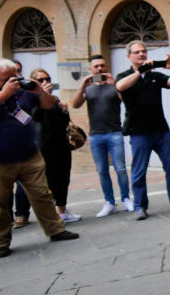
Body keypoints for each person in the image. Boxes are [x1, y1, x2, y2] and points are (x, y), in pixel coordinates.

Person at [0, 59, 79, 258]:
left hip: (29, 154)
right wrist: (4, 94)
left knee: (42, 194)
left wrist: (40, 91)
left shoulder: (23, 91)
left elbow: (50, 105)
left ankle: (56, 230)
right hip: (0, 159)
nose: (13, 80)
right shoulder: (5, 92)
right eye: (6, 77)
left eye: (15, 74)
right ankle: (0, 242)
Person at [115, 40, 170, 220]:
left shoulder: (155, 75)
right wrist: (140, 72)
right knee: (139, 171)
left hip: (160, 130)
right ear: (129, 56)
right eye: (137, 52)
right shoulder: (124, 75)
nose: (141, 54)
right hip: (139, 132)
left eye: (143, 51)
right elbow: (120, 87)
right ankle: (139, 206)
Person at [70, 55, 133, 218]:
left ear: (106, 67)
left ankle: (126, 199)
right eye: (96, 66)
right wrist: (82, 86)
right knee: (102, 171)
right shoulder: (88, 88)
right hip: (96, 135)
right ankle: (110, 203)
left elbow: (127, 102)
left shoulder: (114, 85)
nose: (99, 69)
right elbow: (75, 104)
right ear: (91, 69)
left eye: (102, 66)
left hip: (114, 133)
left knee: (120, 168)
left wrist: (116, 87)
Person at [29, 68, 80, 222]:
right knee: (48, 181)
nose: (46, 82)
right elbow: (34, 118)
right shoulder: (30, 100)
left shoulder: (55, 100)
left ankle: (63, 212)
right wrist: (41, 96)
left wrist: (64, 110)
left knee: (63, 178)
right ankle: (50, 215)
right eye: (41, 80)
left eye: (47, 79)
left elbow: (64, 122)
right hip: (43, 146)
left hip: (61, 144)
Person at [8, 59, 31, 229]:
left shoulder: (26, 92)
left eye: (18, 71)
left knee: (24, 185)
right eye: (12, 71)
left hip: (23, 145)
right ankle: (6, 217)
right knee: (4, 187)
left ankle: (22, 215)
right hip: (2, 148)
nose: (16, 75)